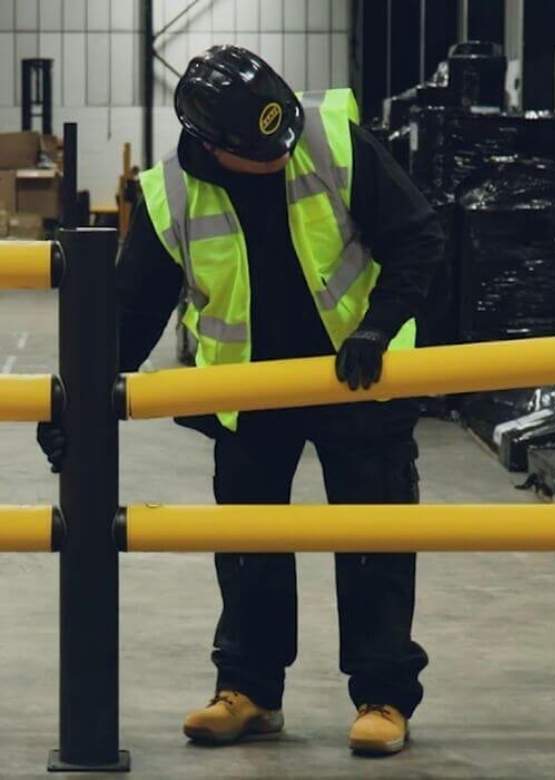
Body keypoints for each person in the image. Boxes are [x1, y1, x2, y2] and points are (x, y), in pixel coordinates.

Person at [38, 45, 443, 755]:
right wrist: (70, 405)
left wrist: (378, 325)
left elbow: (418, 238)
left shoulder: (332, 139)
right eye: (263, 149)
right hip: (248, 390)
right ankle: (250, 690)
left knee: (374, 534)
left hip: (358, 376)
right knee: (249, 544)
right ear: (213, 147)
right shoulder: (170, 197)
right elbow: (129, 320)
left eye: (284, 133)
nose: (282, 154)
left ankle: (384, 696)